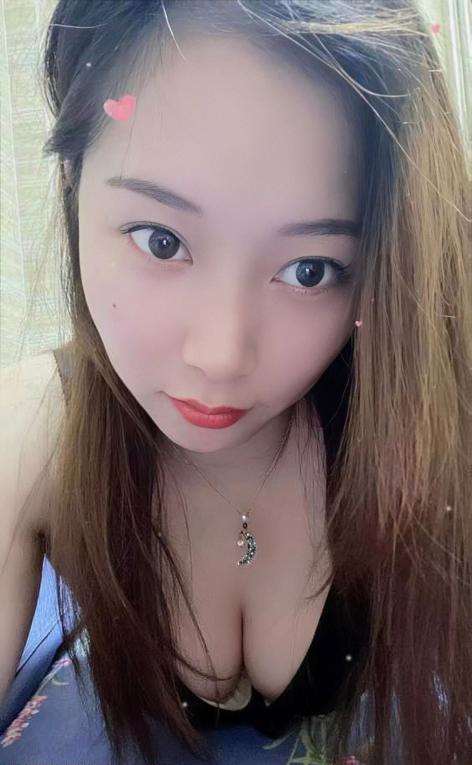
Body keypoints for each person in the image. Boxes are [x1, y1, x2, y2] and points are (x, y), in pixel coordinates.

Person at [2, 1, 471, 764]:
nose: (221, 355)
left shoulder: (428, 425)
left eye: (310, 270)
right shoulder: (33, 430)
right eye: (161, 240)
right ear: (72, 184)